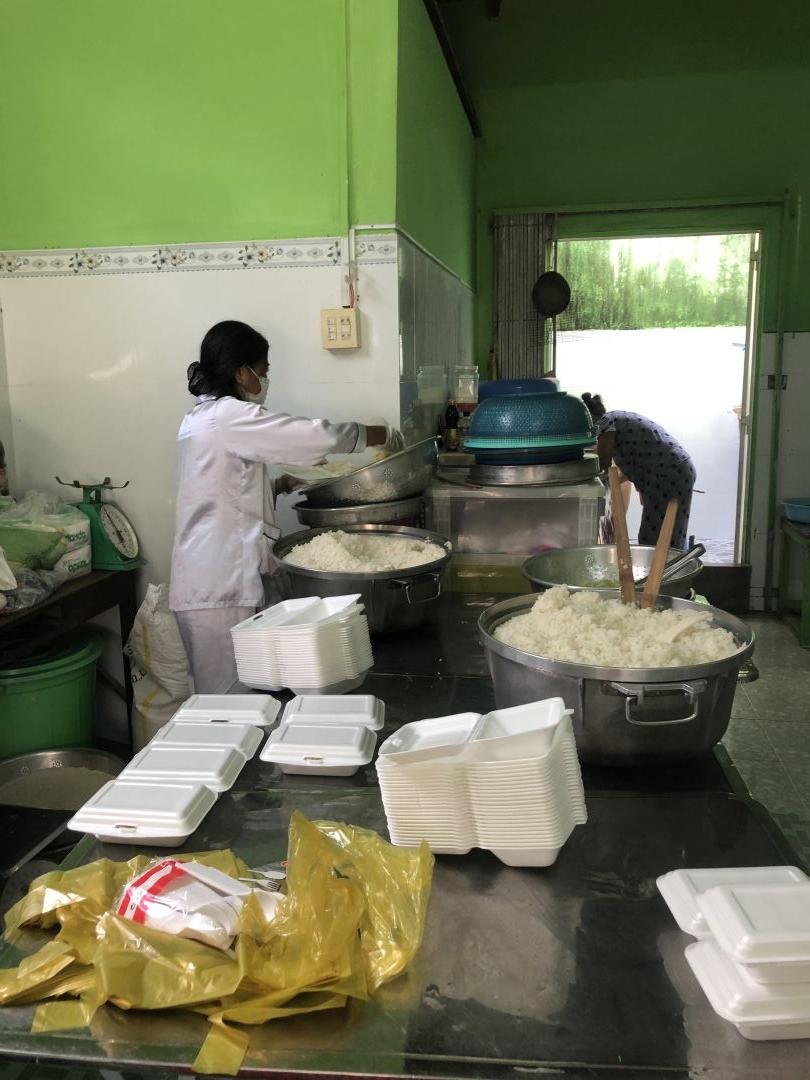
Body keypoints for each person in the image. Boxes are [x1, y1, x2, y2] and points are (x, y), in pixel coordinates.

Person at [170, 320, 403, 693]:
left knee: (239, 696)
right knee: (228, 703)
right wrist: (378, 434)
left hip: (213, 579)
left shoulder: (201, 417)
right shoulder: (228, 416)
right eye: (261, 371)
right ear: (240, 372)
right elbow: (313, 435)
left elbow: (219, 491)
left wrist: (278, 485)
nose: (264, 380)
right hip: (221, 588)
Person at [582, 392, 696, 550]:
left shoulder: (605, 423)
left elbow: (603, 464)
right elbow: (624, 470)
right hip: (679, 468)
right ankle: (671, 563)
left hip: (667, 473)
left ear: (588, 418)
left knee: (655, 538)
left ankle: (661, 565)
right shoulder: (617, 420)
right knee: (672, 533)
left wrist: (586, 478)